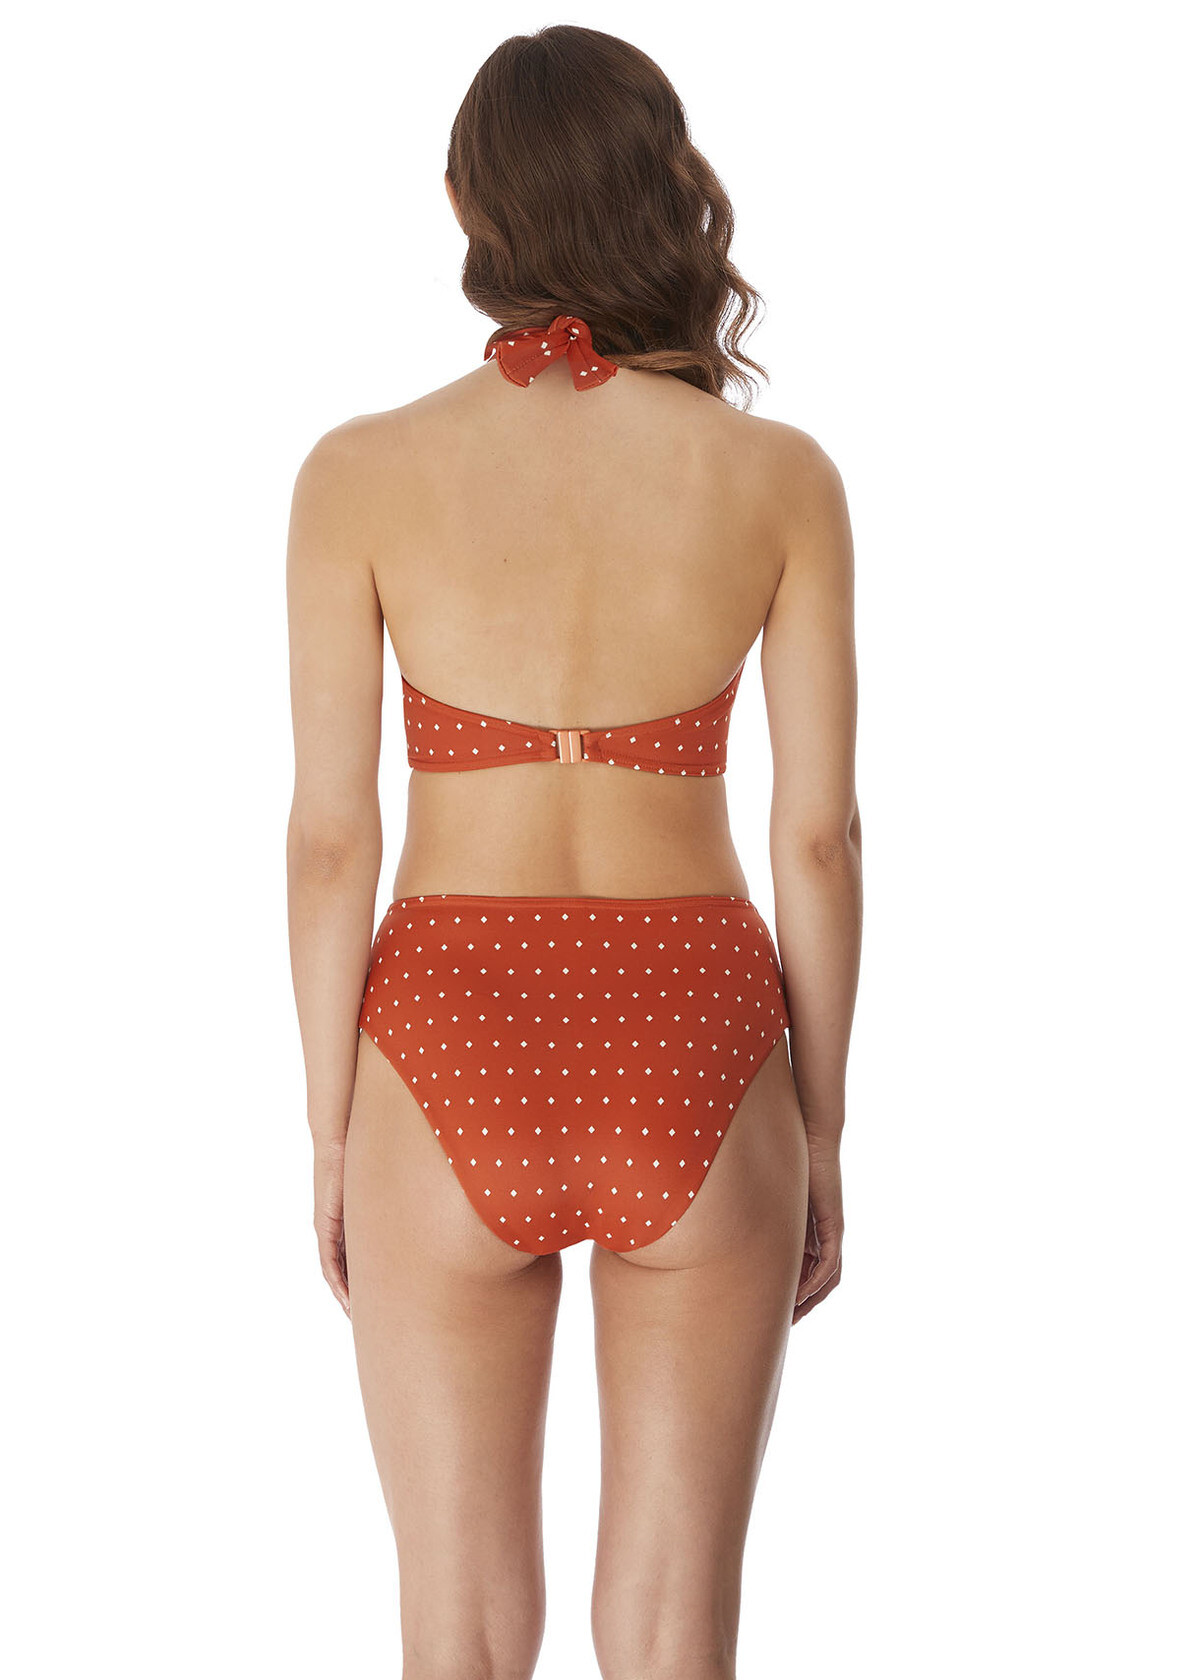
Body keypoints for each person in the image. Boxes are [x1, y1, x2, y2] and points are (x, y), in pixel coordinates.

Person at [285, 24, 861, 1680]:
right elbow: (817, 837)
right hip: (695, 1035)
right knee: (674, 1636)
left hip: (447, 1028)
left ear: (466, 202)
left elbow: (332, 839)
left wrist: (331, 1134)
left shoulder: (359, 473)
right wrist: (824, 1129)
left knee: (459, 1636)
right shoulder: (778, 478)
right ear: (663, 190)